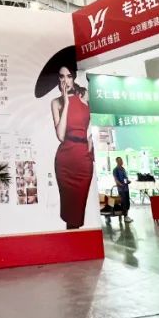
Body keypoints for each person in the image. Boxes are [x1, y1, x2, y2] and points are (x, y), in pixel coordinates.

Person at [50, 60, 94, 230]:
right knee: (70, 212)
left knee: (78, 209)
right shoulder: (56, 102)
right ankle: (72, 241)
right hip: (65, 162)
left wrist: (91, 142)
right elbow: (61, 136)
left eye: (69, 76)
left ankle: (76, 241)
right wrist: (66, 103)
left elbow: (97, 121)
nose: (65, 80)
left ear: (74, 78)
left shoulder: (85, 95)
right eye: (61, 77)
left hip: (83, 160)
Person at [113, 157, 133, 224]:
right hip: (121, 190)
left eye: (121, 160)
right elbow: (116, 179)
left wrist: (128, 181)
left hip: (126, 188)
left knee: (127, 202)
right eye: (120, 160)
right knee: (123, 202)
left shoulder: (123, 169)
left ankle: (127, 215)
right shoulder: (115, 170)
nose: (121, 162)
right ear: (117, 161)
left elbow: (125, 178)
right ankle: (125, 216)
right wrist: (120, 184)